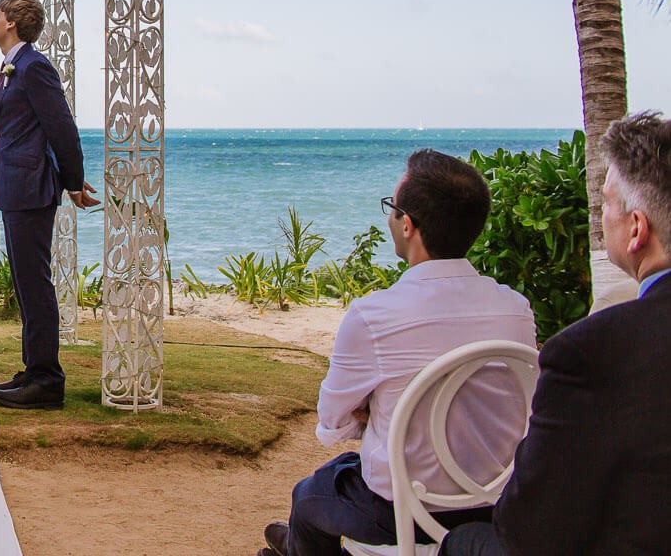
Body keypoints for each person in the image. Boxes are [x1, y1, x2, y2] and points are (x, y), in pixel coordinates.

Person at [259, 149, 536, 556]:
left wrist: (376, 412)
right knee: (330, 486)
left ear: (408, 225)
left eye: (392, 209)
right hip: (494, 504)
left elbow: (332, 423)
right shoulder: (516, 309)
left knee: (310, 495)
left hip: (400, 509)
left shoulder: (373, 316)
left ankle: (300, 544)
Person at [441, 111, 671, 556]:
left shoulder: (596, 351)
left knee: (462, 542)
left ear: (637, 228)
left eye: (605, 203)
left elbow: (529, 531)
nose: (602, 216)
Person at [0, 0, 97, 410]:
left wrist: (73, 182)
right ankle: (33, 370)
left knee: (35, 284)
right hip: (16, 186)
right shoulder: (14, 66)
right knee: (25, 283)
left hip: (32, 187)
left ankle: (48, 380)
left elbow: (62, 126)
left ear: (12, 22)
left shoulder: (35, 66)